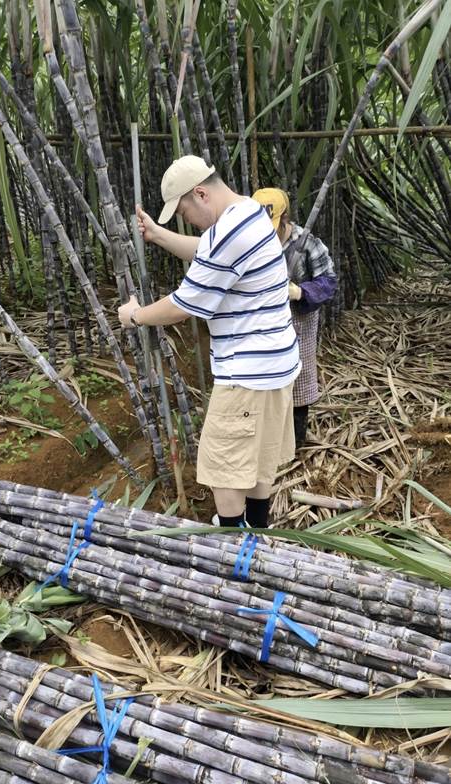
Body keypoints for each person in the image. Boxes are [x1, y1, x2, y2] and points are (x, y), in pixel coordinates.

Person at [118, 155, 301, 528]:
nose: (186, 219)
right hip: (276, 364)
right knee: (258, 456)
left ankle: (233, 543)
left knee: (224, 465)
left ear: (200, 193)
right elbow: (208, 250)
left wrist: (135, 315)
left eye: (184, 211)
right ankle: (257, 530)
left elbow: (183, 305)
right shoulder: (249, 211)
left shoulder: (229, 232)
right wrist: (158, 235)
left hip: (246, 373)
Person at [252, 188, 337, 448]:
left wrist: (300, 292)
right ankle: (270, 440)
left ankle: (297, 442)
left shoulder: (308, 244)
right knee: (266, 380)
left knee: (299, 380)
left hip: (299, 322)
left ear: (285, 218)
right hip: (263, 325)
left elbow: (329, 283)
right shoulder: (250, 241)